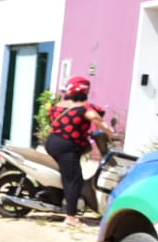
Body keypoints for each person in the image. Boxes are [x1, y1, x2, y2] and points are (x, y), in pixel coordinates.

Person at [44, 75, 116, 227]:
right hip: (67, 146)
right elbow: (95, 118)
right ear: (85, 92)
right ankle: (71, 217)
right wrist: (110, 133)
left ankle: (63, 201)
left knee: (67, 175)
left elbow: (59, 120)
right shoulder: (83, 107)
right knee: (74, 180)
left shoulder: (59, 105)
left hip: (52, 141)